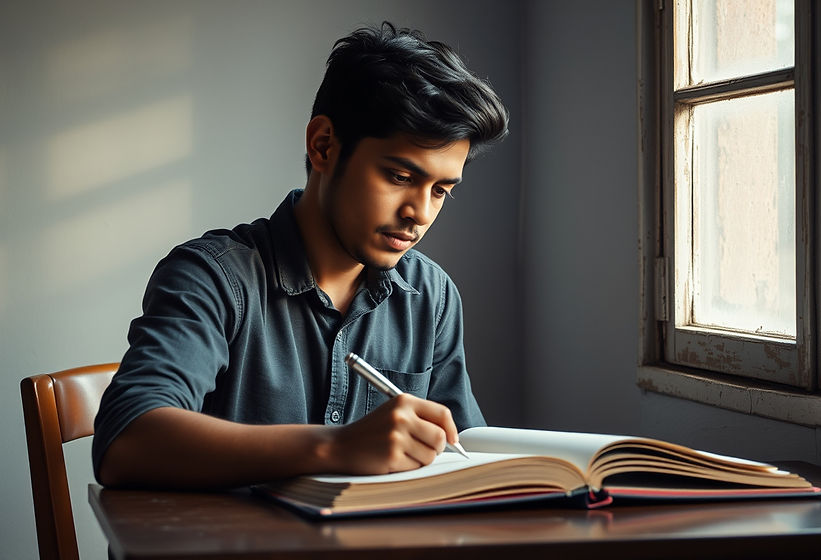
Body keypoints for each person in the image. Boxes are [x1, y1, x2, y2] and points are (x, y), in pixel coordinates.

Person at [92, 22, 509, 489]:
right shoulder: (211, 278)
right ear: (323, 145)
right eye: (398, 177)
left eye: (440, 191)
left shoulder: (431, 297)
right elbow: (125, 442)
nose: (419, 213)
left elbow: (463, 452)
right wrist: (336, 447)